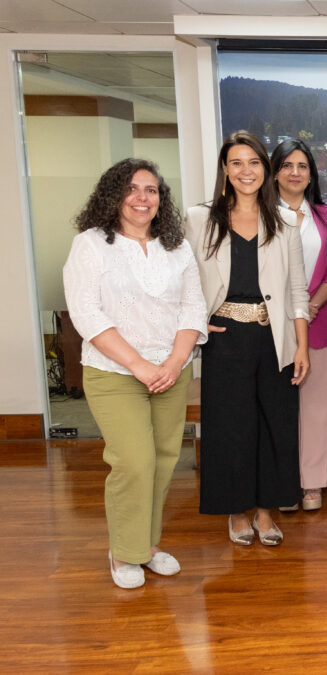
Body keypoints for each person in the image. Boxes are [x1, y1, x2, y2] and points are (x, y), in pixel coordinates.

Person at [63, 159, 207, 588]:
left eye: (152, 190)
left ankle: (147, 545)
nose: (143, 198)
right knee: (134, 462)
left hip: (169, 369)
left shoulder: (175, 245)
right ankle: (124, 553)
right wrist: (140, 365)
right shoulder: (90, 244)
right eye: (132, 189)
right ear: (113, 195)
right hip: (115, 372)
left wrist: (175, 362)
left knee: (164, 462)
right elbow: (86, 313)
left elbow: (193, 307)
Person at [186, 130, 310, 547]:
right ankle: (237, 512)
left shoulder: (285, 220)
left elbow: (297, 290)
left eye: (254, 162)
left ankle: (265, 511)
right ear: (225, 169)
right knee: (231, 428)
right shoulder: (200, 218)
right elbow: (184, 285)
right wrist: (199, 325)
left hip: (273, 339)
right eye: (237, 163)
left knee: (274, 426)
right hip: (224, 340)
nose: (246, 171)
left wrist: (302, 345)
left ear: (266, 169)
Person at [271, 139, 327, 512]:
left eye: (302, 166)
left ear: (311, 173)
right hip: (272, 325)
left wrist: (309, 306)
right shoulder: (261, 215)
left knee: (315, 407)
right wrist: (289, 309)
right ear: (275, 172)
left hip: (317, 321)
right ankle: (283, 482)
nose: (295, 172)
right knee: (279, 408)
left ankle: (312, 482)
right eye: (287, 165)